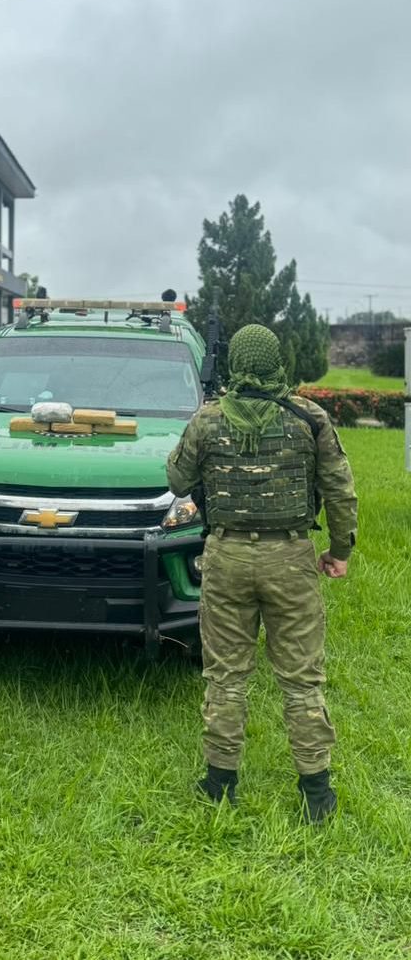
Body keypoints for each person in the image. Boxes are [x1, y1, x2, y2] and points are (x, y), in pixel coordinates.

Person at [166, 324, 357, 824]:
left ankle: (219, 783)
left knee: (226, 676)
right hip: (291, 558)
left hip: (226, 558)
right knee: (301, 680)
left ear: (236, 367)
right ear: (278, 361)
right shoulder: (309, 417)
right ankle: (316, 792)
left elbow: (176, 479)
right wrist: (339, 550)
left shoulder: (209, 420)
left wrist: (201, 421)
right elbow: (340, 491)